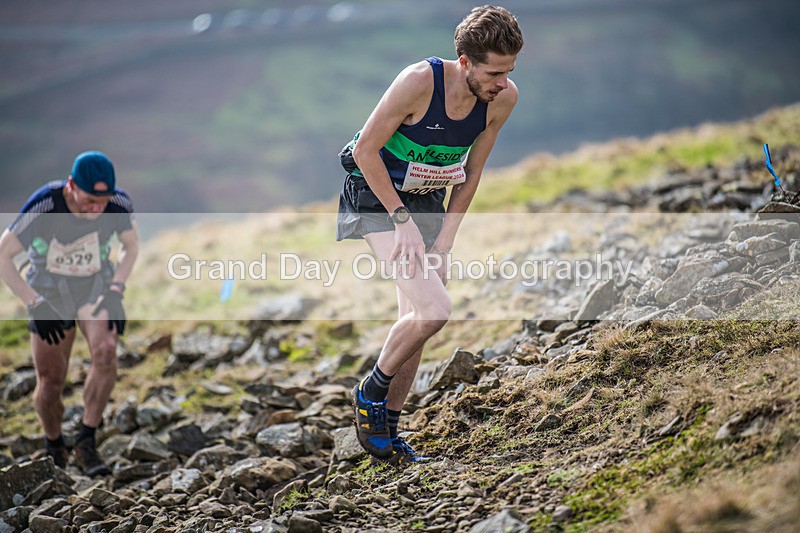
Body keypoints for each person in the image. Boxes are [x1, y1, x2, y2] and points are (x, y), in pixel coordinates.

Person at [336, 5, 523, 464]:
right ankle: (370, 391)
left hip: (427, 202)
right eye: (494, 72)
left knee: (415, 318)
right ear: (465, 63)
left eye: (510, 71)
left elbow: (472, 172)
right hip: (376, 193)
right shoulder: (419, 82)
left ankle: (388, 430)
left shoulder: (503, 99)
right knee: (435, 308)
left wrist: (444, 241)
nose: (502, 82)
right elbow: (364, 151)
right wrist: (401, 221)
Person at [0, 151, 139, 476]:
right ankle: (54, 443)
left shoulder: (117, 203)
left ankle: (86, 441)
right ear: (72, 186)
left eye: (103, 201)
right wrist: (33, 302)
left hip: (94, 285)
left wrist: (117, 288)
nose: (97, 208)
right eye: (90, 200)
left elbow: (131, 246)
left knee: (106, 353)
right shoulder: (46, 204)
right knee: (50, 382)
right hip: (48, 291)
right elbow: (3, 255)